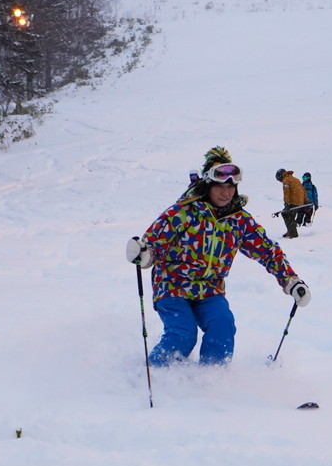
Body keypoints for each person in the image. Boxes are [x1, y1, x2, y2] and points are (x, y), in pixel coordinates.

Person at [128, 150, 310, 366]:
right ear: (208, 186)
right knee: (183, 332)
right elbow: (154, 242)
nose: (226, 193)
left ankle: (211, 383)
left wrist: (290, 280)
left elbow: (268, 251)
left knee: (223, 326)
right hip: (172, 286)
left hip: (210, 290)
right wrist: (144, 253)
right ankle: (156, 376)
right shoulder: (183, 212)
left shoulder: (239, 220)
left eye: (230, 187)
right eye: (220, 187)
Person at [275, 168, 307, 238]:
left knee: (286, 214)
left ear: (280, 176)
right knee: (290, 216)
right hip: (299, 201)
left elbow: (286, 193)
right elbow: (303, 190)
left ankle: (293, 233)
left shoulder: (286, 180)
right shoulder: (295, 179)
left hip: (293, 201)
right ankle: (290, 231)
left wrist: (286, 204)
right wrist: (306, 200)